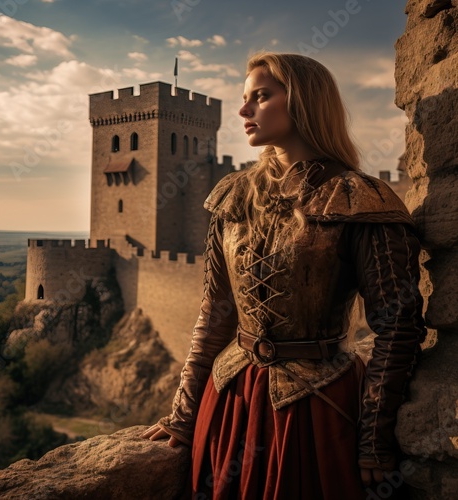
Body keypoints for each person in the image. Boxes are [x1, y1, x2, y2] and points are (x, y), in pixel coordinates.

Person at [142, 52, 426, 499]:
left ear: (304, 102)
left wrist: (374, 439)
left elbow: (398, 328)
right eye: (244, 98)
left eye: (261, 96)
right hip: (230, 400)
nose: (243, 110)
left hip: (317, 409)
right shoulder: (232, 197)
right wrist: (185, 411)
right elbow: (215, 316)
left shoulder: (361, 200)